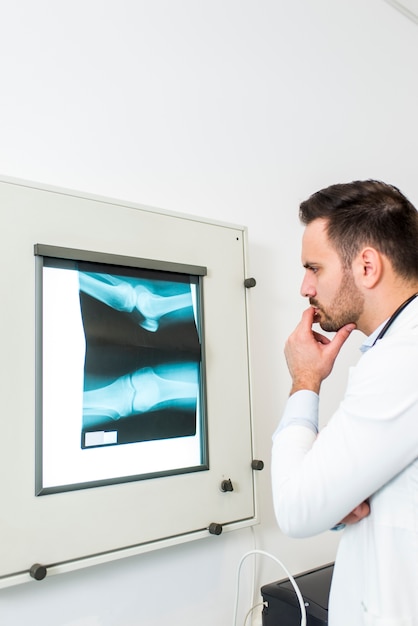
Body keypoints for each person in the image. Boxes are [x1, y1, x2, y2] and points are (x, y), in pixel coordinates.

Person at [271, 180, 418, 625]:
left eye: (314, 268)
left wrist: (305, 379)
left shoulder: (402, 361)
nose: (304, 287)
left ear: (367, 265)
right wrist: (333, 498)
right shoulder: (395, 352)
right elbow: (327, 491)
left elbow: (297, 507)